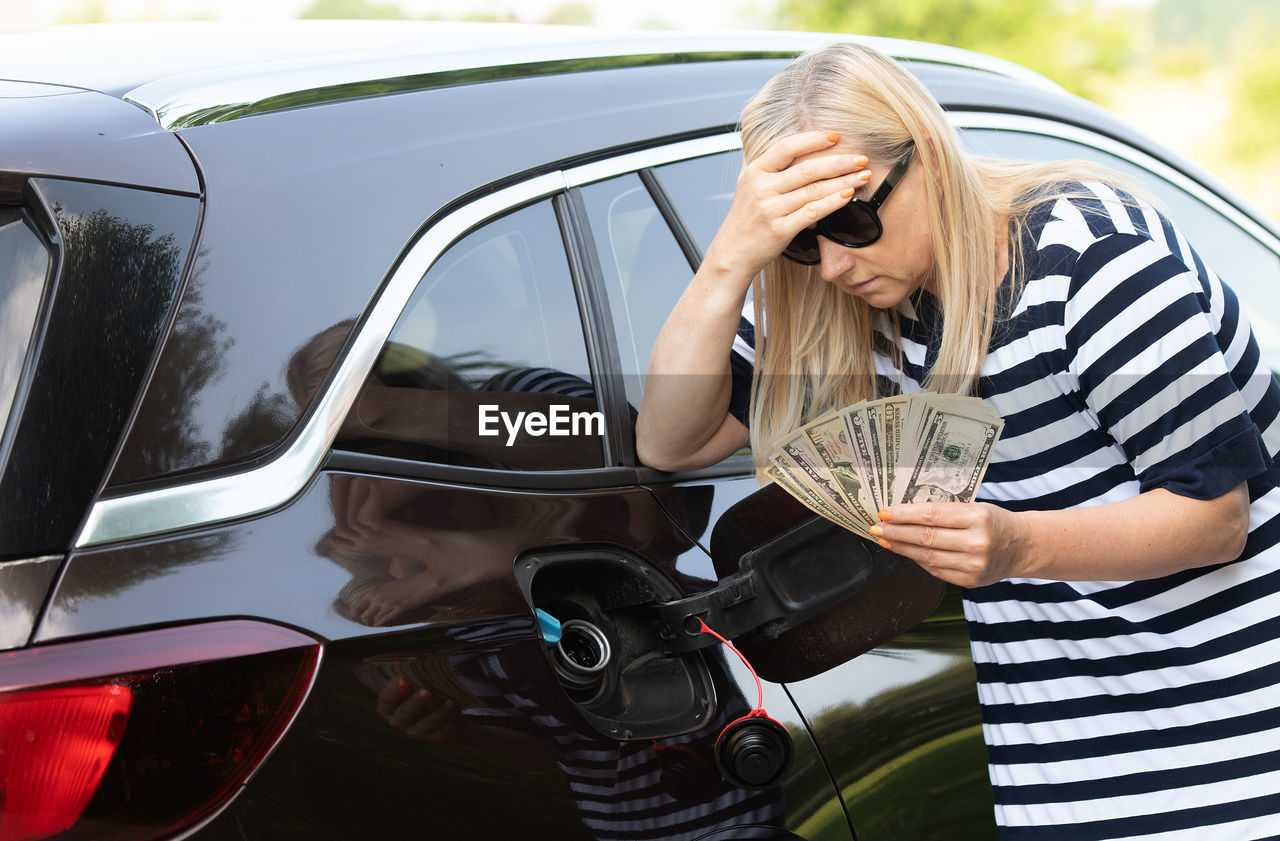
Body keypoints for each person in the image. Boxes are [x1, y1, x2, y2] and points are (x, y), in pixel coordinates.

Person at [636, 40, 1280, 839]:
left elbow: (1216, 518)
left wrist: (1014, 547)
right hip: (1051, 768)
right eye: (803, 238)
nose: (833, 263)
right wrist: (732, 258)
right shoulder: (837, 300)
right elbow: (670, 439)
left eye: (852, 217)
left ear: (929, 159)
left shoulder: (1091, 259)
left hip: (1239, 746)